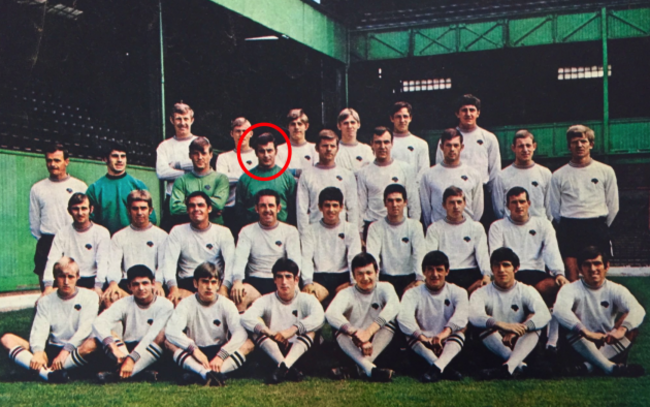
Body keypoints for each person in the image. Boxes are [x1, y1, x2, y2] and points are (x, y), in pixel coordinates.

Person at [2, 257, 99, 383]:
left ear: (78, 277)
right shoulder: (45, 301)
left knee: (94, 342)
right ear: (55, 277)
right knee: (7, 339)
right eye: (61, 276)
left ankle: (47, 372)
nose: (66, 281)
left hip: (76, 349)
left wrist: (66, 351)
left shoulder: (90, 297)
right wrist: (38, 351)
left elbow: (85, 329)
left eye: (70, 277)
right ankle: (49, 374)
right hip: (53, 348)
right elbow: (39, 330)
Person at [553, 246, 645, 377]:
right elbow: (559, 310)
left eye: (597, 264)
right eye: (587, 265)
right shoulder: (570, 289)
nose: (592, 269)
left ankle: (587, 367)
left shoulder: (616, 289)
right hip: (580, 344)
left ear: (606, 266)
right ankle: (609, 367)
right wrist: (586, 332)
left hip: (607, 344)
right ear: (580, 269)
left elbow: (638, 309)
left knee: (631, 327)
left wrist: (621, 330)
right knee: (567, 324)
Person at [165, 262, 254, 386]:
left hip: (219, 351)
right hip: (196, 353)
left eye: (213, 282)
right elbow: (171, 331)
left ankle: (208, 373)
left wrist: (221, 355)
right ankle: (205, 372)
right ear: (195, 283)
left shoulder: (226, 304)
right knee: (168, 343)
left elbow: (240, 333)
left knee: (249, 343)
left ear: (218, 284)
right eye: (205, 282)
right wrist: (194, 349)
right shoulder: (186, 304)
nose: (209, 287)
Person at [549, 125, 619, 282]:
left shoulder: (605, 171)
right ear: (569, 146)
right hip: (570, 227)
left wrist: (600, 224)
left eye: (583, 141)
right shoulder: (558, 175)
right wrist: (569, 222)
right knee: (572, 276)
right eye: (574, 142)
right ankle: (573, 306)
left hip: (596, 226)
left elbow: (613, 205)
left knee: (596, 274)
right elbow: (554, 208)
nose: (579, 145)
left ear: (591, 144)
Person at [469, 248, 551, 380]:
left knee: (535, 324)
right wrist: (502, 326)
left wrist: (520, 329)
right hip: (493, 344)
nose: (501, 270)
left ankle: (508, 368)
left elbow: (544, 314)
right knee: (482, 325)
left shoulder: (526, 290)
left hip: (520, 341)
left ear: (516, 268)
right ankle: (518, 366)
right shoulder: (481, 292)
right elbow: (474, 316)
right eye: (496, 265)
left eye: (506, 265)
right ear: (492, 268)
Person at [241, 258, 325, 384]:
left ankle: (284, 367)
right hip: (274, 350)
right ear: (274, 279)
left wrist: (291, 330)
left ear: (296, 280)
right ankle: (285, 367)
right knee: (256, 331)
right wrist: (269, 332)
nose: (284, 282)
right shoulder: (266, 299)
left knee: (312, 330)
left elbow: (320, 317)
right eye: (279, 277)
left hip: (300, 352)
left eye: (288, 277)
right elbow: (246, 317)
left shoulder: (307, 299)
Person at [90, 265, 173, 383]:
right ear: (129, 286)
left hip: (149, 350)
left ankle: (118, 376)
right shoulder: (124, 303)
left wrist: (131, 359)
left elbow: (151, 336)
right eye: (136, 284)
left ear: (153, 283)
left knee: (162, 334)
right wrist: (114, 349)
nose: (141, 288)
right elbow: (98, 322)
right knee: (109, 329)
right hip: (126, 349)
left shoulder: (165, 305)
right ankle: (139, 373)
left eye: (145, 283)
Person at [325, 252, 399, 382]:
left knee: (390, 320)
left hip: (377, 344)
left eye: (369, 273)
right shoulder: (346, 293)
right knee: (338, 327)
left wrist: (369, 332)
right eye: (360, 274)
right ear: (354, 276)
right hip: (353, 344)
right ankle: (369, 369)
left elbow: (394, 306)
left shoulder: (385, 287)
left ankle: (359, 367)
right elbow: (330, 313)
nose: (365, 278)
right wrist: (356, 333)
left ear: (377, 272)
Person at [397, 251, 468, 382]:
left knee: (461, 328)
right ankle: (443, 368)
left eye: (439, 270)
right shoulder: (412, 293)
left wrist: (441, 336)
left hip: (446, 343)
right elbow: (404, 318)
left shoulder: (458, 292)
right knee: (408, 332)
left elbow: (461, 316)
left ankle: (436, 369)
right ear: (424, 272)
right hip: (423, 345)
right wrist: (423, 338)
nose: (435, 274)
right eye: (430, 270)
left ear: (447, 271)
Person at [489, 187, 567, 304]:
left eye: (522, 201)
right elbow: (497, 255)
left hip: (537, 274)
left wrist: (559, 273)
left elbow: (551, 251)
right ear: (508, 206)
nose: (519, 206)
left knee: (557, 285)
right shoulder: (497, 226)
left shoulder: (543, 224)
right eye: (514, 202)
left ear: (528, 203)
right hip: (512, 274)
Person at [230, 190, 301, 312]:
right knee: (239, 296)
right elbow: (240, 259)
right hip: (255, 280)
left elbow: (294, 260)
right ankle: (242, 331)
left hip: (280, 279)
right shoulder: (247, 231)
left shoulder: (290, 231)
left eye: (271, 205)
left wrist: (295, 283)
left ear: (278, 208)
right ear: (256, 208)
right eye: (263, 206)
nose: (267, 210)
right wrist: (237, 281)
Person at [435, 94, 500, 227]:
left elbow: (495, 171)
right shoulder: (447, 138)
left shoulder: (488, 137)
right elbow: (439, 168)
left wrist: (489, 195)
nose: (468, 114)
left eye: (472, 110)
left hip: (478, 193)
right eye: (464, 110)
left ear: (478, 113)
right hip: (452, 194)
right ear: (457, 113)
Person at [30, 144, 87, 290]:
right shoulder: (38, 188)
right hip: (47, 242)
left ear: (66, 161)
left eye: (57, 160)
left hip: (73, 241)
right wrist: (46, 240)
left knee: (73, 288)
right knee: (48, 290)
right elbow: (35, 222)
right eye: (49, 161)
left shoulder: (79, 186)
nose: (52, 164)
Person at [163, 191, 235, 306]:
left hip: (213, 281)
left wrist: (224, 288)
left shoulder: (223, 232)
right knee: (176, 301)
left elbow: (231, 264)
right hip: (188, 281)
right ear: (187, 210)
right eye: (192, 206)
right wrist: (173, 288)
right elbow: (169, 263)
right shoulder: (177, 231)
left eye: (200, 205)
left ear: (209, 209)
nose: (196, 209)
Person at [301, 187, 362, 304]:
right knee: (308, 302)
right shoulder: (310, 230)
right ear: (320, 207)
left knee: (351, 302)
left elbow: (354, 258)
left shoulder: (350, 229)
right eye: (327, 205)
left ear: (341, 207)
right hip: (319, 278)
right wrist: (308, 282)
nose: (331, 210)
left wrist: (354, 282)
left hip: (342, 277)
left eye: (335, 205)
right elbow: (306, 258)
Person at [357, 126, 420, 239]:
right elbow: (360, 207)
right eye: (378, 142)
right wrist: (360, 233)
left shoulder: (406, 169)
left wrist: (414, 229)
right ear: (372, 144)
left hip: (401, 226)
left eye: (386, 142)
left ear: (392, 143)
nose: (382, 147)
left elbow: (413, 203)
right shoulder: (363, 172)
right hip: (373, 226)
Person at [42, 193, 111, 297]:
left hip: (91, 280)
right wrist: (48, 286)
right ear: (69, 211)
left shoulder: (102, 232)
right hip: (69, 279)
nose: (80, 213)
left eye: (84, 208)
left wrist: (98, 287)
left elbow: (102, 262)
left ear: (91, 209)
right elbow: (52, 259)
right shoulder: (62, 233)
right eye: (76, 209)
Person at [425, 187, 491, 293]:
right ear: (444, 205)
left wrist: (486, 275)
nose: (456, 207)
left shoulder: (476, 227)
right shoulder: (434, 228)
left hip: (470, 274)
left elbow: (482, 254)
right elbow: (430, 258)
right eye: (451, 203)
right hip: (446, 275)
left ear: (464, 203)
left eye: (459, 202)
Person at [106, 190, 167, 302]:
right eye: (135, 208)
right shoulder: (119, 236)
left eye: (143, 208)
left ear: (150, 210)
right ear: (129, 210)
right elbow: (114, 264)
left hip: (151, 284)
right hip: (127, 284)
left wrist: (158, 283)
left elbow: (163, 265)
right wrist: (113, 283)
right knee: (111, 297)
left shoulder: (161, 236)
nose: (139, 212)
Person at [366, 184, 426, 297]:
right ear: (385, 203)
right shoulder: (375, 227)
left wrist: (420, 279)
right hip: (384, 278)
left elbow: (420, 254)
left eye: (398, 200)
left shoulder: (415, 226)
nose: (394, 205)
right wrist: (376, 281)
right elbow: (373, 256)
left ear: (405, 202)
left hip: (410, 278)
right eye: (390, 201)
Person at [297, 129, 358, 236]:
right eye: (324, 146)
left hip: (341, 233)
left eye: (332, 146)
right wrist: (304, 236)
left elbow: (352, 208)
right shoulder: (307, 175)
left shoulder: (347, 175)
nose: (329, 149)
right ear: (317, 148)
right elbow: (302, 210)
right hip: (315, 233)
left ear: (337, 149)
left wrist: (353, 234)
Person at [86, 142, 156, 235]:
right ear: (105, 159)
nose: (120, 160)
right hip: (107, 242)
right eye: (115, 156)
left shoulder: (138, 185)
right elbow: (88, 220)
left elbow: (151, 218)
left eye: (123, 156)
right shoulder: (95, 189)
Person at [420, 128, 483, 228]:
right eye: (448, 145)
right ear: (441, 147)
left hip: (466, 230)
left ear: (462, 147)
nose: (452, 149)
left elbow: (477, 209)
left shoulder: (473, 174)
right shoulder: (428, 175)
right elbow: (426, 209)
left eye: (455, 145)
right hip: (439, 232)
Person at [236, 132, 297, 226]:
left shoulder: (287, 177)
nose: (266, 155)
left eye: (269, 151)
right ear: (256, 153)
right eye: (262, 151)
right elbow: (240, 211)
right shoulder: (245, 179)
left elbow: (293, 209)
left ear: (276, 151)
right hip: (253, 232)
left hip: (281, 231)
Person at [156, 102, 199, 231]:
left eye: (186, 119)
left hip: (197, 198)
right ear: (171, 120)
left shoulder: (200, 142)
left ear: (192, 120)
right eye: (178, 119)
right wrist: (190, 171)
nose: (182, 123)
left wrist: (176, 165)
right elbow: (162, 172)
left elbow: (202, 165)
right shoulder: (164, 146)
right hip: (172, 199)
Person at [492, 130, 552, 220]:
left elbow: (550, 207)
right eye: (521, 146)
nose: (525, 150)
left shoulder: (545, 173)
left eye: (528, 145)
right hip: (511, 228)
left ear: (534, 146)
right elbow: (499, 209)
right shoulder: (502, 176)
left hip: (539, 227)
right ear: (513, 148)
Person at [170, 136, 229, 226]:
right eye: (196, 153)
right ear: (190, 156)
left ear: (211, 155)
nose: (200, 157)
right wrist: (209, 208)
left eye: (204, 153)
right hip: (188, 229)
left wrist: (188, 203)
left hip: (215, 228)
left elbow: (218, 205)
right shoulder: (181, 181)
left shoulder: (221, 178)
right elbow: (174, 208)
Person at [216, 117, 258, 238]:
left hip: (253, 208)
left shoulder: (258, 156)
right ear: (232, 134)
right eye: (238, 131)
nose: (241, 134)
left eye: (245, 131)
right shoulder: (224, 157)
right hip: (230, 209)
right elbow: (223, 180)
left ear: (251, 133)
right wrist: (249, 176)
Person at [389, 101, 430, 177]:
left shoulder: (421, 144)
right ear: (392, 118)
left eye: (405, 116)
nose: (402, 120)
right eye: (398, 116)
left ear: (410, 118)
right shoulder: (385, 144)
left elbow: (424, 172)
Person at [276, 108, 317, 178]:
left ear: (306, 126)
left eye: (300, 124)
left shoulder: (315, 149)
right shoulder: (278, 150)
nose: (296, 127)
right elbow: (279, 173)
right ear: (287, 127)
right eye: (293, 124)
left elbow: (318, 172)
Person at [335, 108, 374, 172]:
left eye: (352, 122)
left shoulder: (366, 150)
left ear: (358, 125)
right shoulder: (334, 149)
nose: (349, 126)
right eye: (345, 123)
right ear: (339, 126)